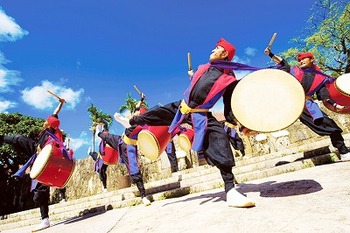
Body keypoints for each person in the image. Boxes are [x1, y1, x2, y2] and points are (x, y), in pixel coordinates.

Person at [123, 38, 256, 208]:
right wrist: (193, 77)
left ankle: (230, 190)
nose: (212, 50)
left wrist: (239, 124)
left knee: (220, 141)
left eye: (217, 48)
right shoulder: (205, 68)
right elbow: (197, 88)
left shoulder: (228, 77)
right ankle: (133, 122)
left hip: (201, 115)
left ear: (224, 54)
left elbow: (230, 102)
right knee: (156, 113)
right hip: (182, 108)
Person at [264, 47, 350, 161]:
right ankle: (343, 150)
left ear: (312, 60)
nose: (301, 61)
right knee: (330, 126)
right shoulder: (294, 70)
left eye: (304, 59)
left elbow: (324, 96)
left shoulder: (321, 78)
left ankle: (343, 151)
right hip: (297, 105)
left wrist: (336, 106)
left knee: (331, 126)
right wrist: (270, 54)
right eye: (300, 60)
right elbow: (282, 62)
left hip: (310, 106)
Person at [0, 98, 66, 231]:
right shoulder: (47, 131)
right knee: (19, 139)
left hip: (45, 158)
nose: (45, 121)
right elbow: (55, 111)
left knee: (39, 191)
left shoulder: (52, 133)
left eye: (47, 121)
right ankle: (2, 139)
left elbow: (56, 147)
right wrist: (61, 103)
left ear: (49, 124)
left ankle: (45, 219)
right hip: (37, 150)